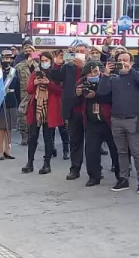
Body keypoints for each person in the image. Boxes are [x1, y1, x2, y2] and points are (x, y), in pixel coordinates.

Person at [102, 50, 139, 193]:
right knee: (121, 152)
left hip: (133, 119)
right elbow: (102, 93)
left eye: (126, 60)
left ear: (132, 62)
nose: (123, 62)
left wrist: (131, 71)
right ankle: (123, 179)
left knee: (136, 152)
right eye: (120, 60)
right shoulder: (113, 78)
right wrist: (106, 74)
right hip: (116, 119)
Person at [22, 51, 62, 175]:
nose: (44, 63)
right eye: (42, 60)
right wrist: (34, 83)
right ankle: (30, 162)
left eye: (46, 60)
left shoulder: (55, 73)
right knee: (32, 136)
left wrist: (48, 83)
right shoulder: (35, 73)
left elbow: (60, 90)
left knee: (48, 137)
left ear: (50, 60)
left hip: (49, 109)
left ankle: (47, 164)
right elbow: (28, 90)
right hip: (36, 107)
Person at [61, 42, 89, 179]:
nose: (80, 54)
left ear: (87, 53)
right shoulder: (68, 67)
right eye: (77, 51)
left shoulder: (93, 66)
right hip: (73, 109)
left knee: (91, 143)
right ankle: (75, 169)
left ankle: (94, 171)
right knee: (75, 141)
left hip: (89, 109)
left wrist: (84, 67)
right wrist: (59, 62)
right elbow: (57, 78)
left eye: (82, 51)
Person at [0, 51, 21, 160]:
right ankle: (0, 151)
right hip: (1, 101)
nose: (6, 60)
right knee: (1, 128)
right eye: (4, 58)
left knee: (9, 128)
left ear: (11, 59)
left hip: (12, 100)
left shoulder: (14, 71)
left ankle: (8, 150)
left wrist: (18, 102)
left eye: (8, 58)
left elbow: (18, 88)